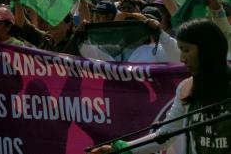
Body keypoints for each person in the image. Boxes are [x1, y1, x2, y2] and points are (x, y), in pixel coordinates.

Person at [91, 19, 231, 154]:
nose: (182, 59)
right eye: (181, 51)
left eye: (186, 50)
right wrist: (122, 148)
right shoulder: (186, 88)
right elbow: (165, 135)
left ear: (208, 50)